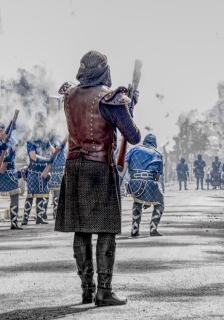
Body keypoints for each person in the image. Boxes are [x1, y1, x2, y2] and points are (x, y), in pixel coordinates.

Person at [55, 50, 141, 306]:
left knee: (81, 229)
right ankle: (103, 291)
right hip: (99, 167)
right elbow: (133, 136)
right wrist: (128, 107)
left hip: (74, 167)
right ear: (104, 70)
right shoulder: (110, 98)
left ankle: (86, 289)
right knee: (106, 228)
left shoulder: (68, 95)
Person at [123, 134, 164, 237]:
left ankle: (135, 228)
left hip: (134, 183)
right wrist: (151, 198)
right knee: (160, 203)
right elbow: (157, 177)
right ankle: (153, 228)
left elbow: (124, 167)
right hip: (150, 183)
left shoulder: (134, 150)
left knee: (137, 201)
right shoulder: (158, 154)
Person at [0, 119, 23, 231]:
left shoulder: (11, 139)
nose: (1, 129)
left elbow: (16, 149)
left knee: (15, 196)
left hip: (10, 171)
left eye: (2, 127)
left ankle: (14, 222)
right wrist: (2, 160)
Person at [21, 121, 55, 225]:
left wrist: (54, 151)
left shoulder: (45, 141)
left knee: (42, 194)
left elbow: (53, 150)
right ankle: (25, 218)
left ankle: (39, 217)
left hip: (43, 171)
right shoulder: (31, 141)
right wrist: (47, 160)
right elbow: (33, 157)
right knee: (30, 195)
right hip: (33, 171)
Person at [48, 134, 67, 219]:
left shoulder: (56, 139)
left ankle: (57, 213)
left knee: (57, 193)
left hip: (58, 170)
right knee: (55, 193)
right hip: (54, 170)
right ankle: (55, 213)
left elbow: (59, 146)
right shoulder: (51, 141)